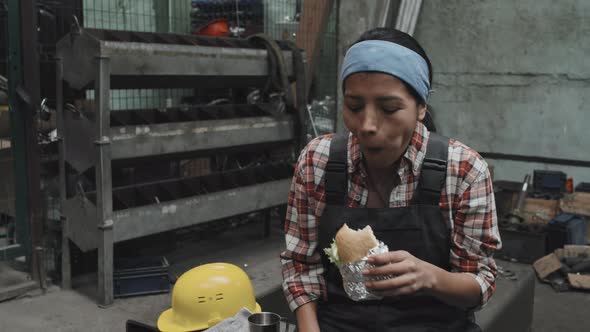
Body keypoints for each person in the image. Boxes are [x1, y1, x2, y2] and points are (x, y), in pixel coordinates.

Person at [280, 27, 501, 332]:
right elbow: (301, 265)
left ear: (421, 107)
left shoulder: (463, 170)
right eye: (354, 107)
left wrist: (431, 278)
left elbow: (480, 282)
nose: (368, 125)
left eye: (389, 108)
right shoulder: (316, 162)